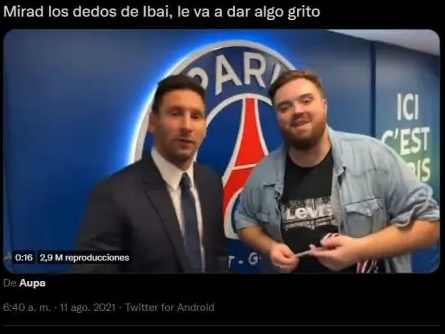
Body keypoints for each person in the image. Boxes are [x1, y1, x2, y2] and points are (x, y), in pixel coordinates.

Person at [234, 69, 440, 273]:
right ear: (278, 116)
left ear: (324, 105)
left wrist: (359, 250)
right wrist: (270, 247)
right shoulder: (263, 173)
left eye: (306, 100)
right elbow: (244, 221)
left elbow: (430, 224)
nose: (297, 111)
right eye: (284, 107)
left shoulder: (375, 157)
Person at [76, 74, 229, 273]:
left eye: (196, 116)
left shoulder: (211, 182)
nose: (187, 126)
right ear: (152, 121)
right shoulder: (113, 194)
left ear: (204, 128)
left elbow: (217, 255)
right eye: (175, 113)